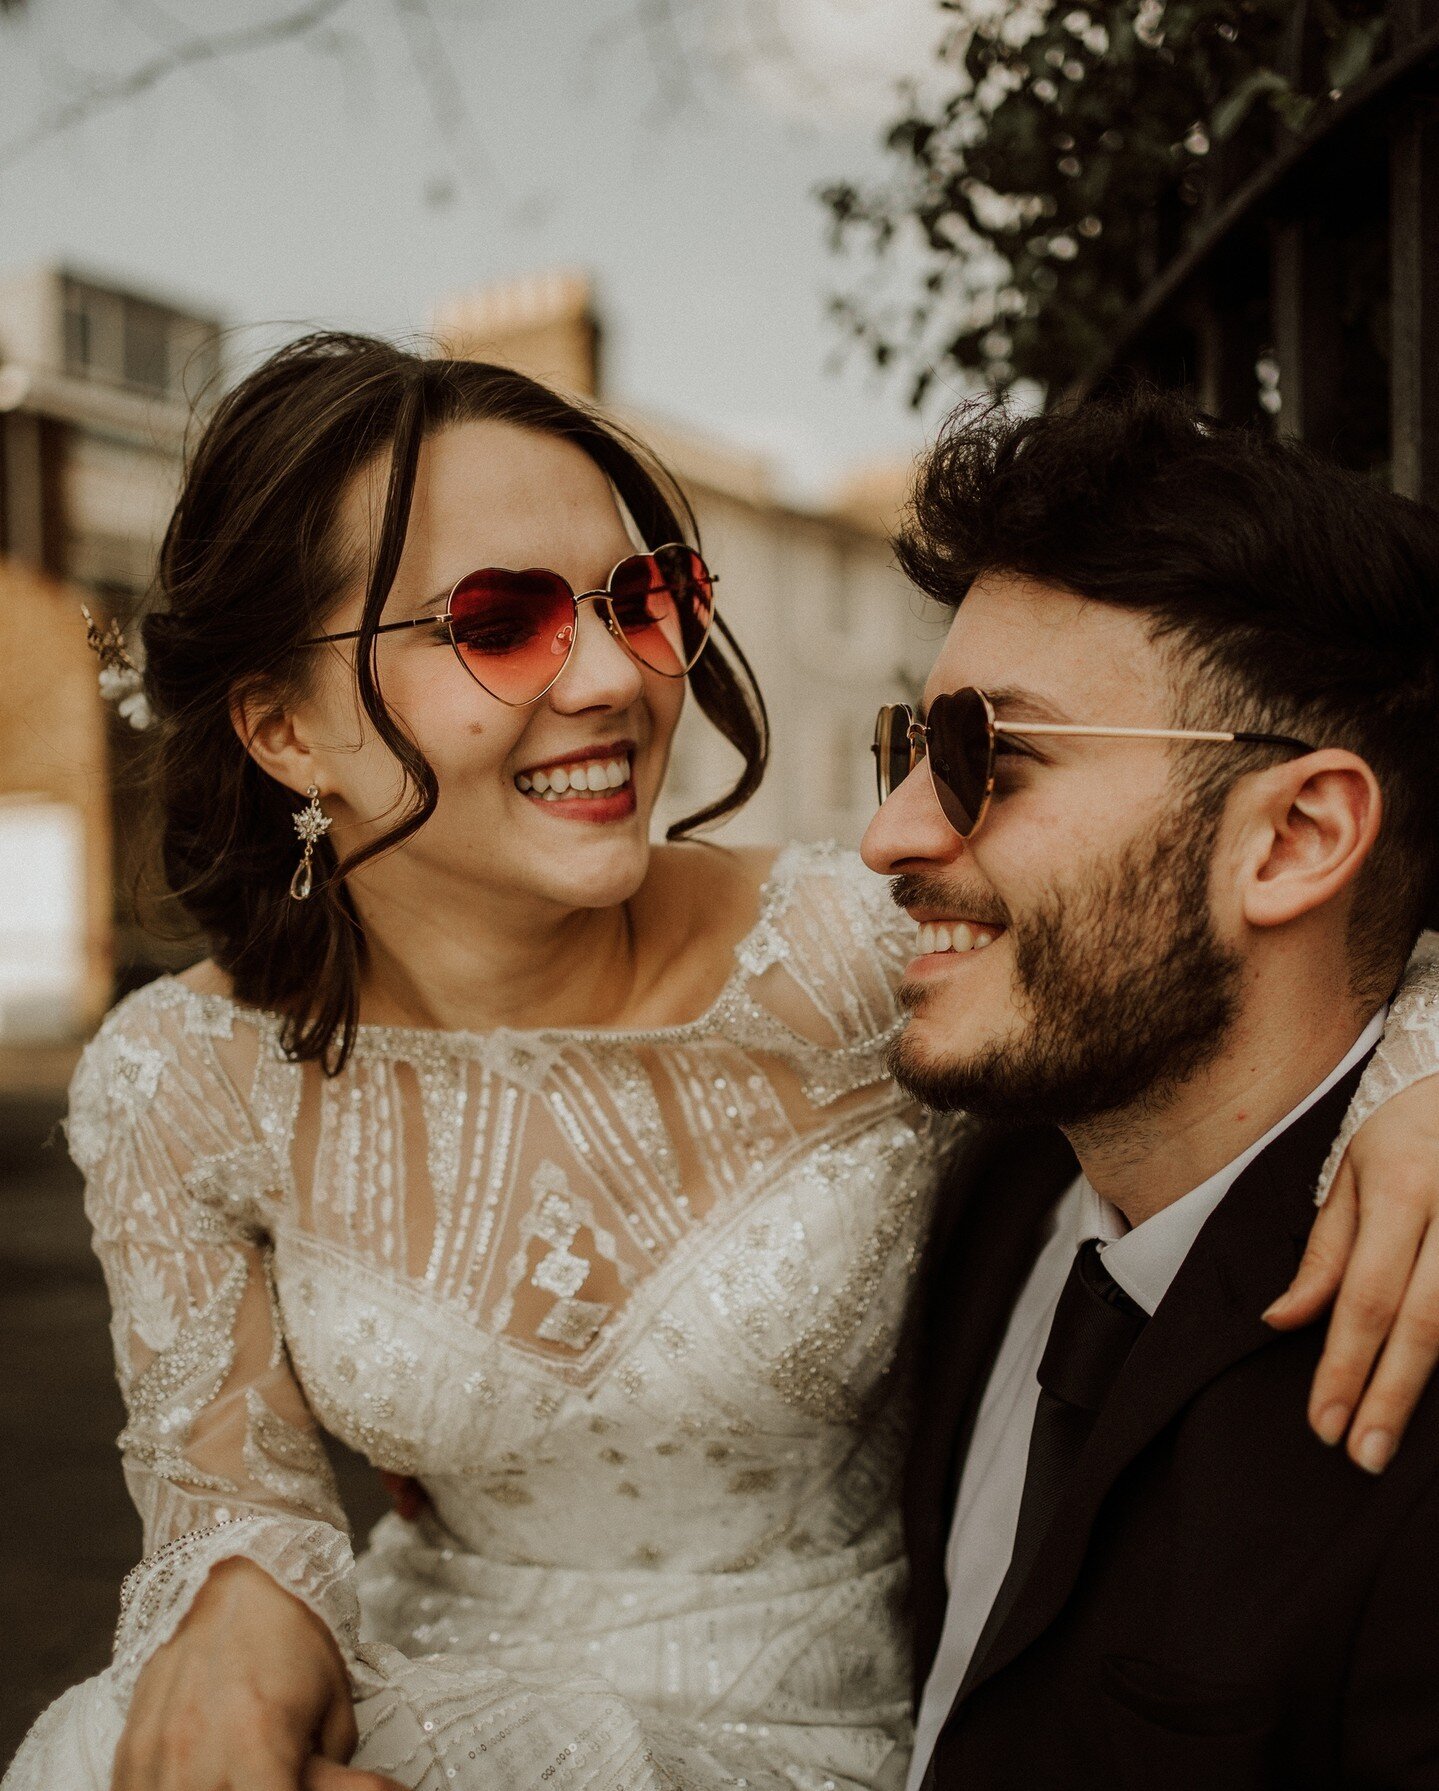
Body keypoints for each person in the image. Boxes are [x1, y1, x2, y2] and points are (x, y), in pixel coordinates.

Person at [5, 340, 1439, 1791]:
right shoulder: (180, 1074)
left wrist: (1427, 1057)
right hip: (435, 1688)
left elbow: (1231, 930)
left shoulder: (870, 946)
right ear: (282, 726)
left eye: (646, 599)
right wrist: (247, 1592)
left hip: (831, 1730)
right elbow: (225, 1492)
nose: (620, 676)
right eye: (501, 623)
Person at [863, 387, 1439, 1789]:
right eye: (907, 747)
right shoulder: (982, 1189)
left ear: (1297, 837)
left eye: (984, 756)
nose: (885, 836)